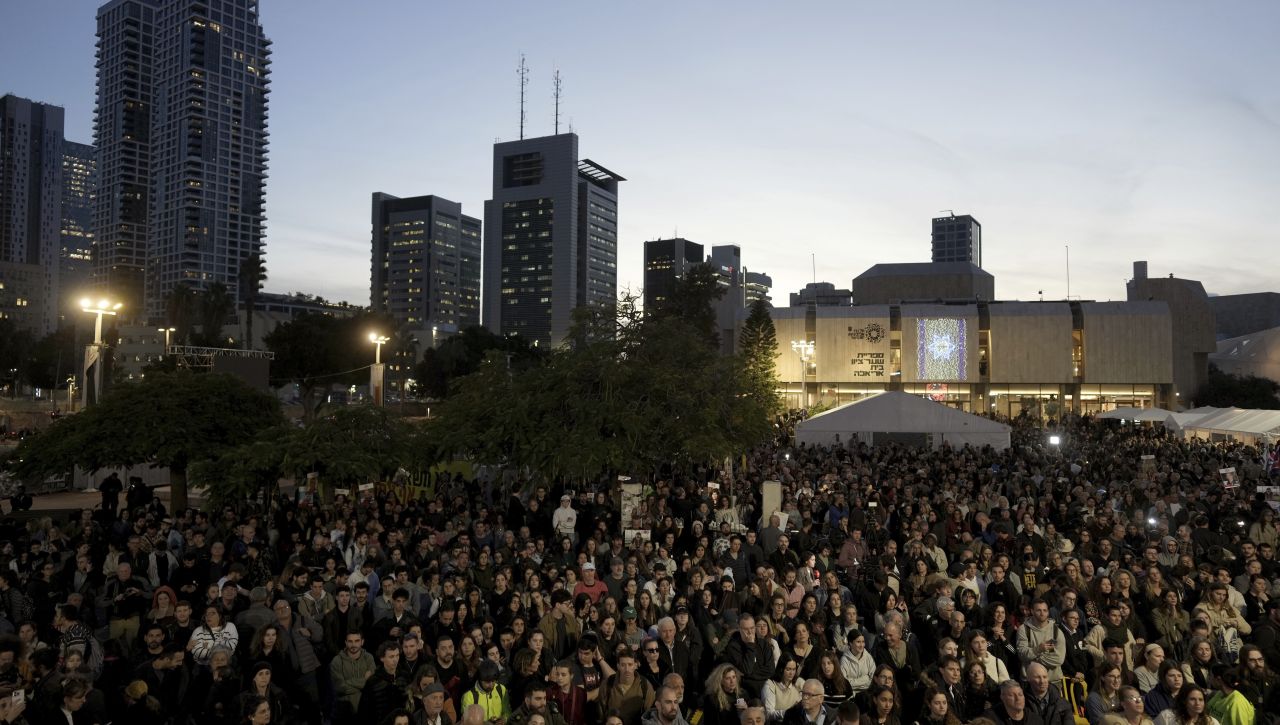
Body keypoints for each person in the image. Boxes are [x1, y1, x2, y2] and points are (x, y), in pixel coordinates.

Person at [765, 653, 806, 721]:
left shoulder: (799, 682)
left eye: (794, 669)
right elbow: (769, 714)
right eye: (788, 669)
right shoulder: (770, 684)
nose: (791, 673)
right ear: (781, 669)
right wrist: (789, 712)